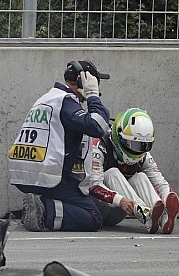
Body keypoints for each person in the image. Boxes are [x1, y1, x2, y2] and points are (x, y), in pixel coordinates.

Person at [9, 60, 110, 232]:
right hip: (47, 177)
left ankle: (38, 205)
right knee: (92, 216)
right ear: (82, 81)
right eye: (94, 82)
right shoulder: (66, 102)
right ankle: (44, 211)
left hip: (26, 175)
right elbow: (97, 126)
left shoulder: (48, 99)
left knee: (79, 197)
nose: (98, 87)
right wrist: (93, 96)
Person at [82, 107, 179, 234]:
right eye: (133, 145)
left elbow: (159, 181)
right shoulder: (99, 146)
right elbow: (93, 185)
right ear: (118, 136)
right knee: (112, 173)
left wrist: (169, 196)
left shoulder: (143, 155)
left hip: (121, 211)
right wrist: (120, 200)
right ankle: (145, 213)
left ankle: (163, 217)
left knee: (140, 177)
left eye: (143, 145)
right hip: (96, 209)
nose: (137, 151)